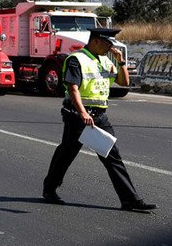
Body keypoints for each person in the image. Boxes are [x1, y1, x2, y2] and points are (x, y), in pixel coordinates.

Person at [42, 28, 157, 211]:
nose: (110, 47)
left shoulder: (105, 60)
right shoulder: (76, 59)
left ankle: (129, 200)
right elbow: (73, 89)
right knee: (67, 153)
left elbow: (124, 82)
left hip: (99, 116)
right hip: (78, 116)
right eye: (107, 43)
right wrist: (82, 113)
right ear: (95, 41)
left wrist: (121, 61)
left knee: (112, 155)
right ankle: (49, 188)